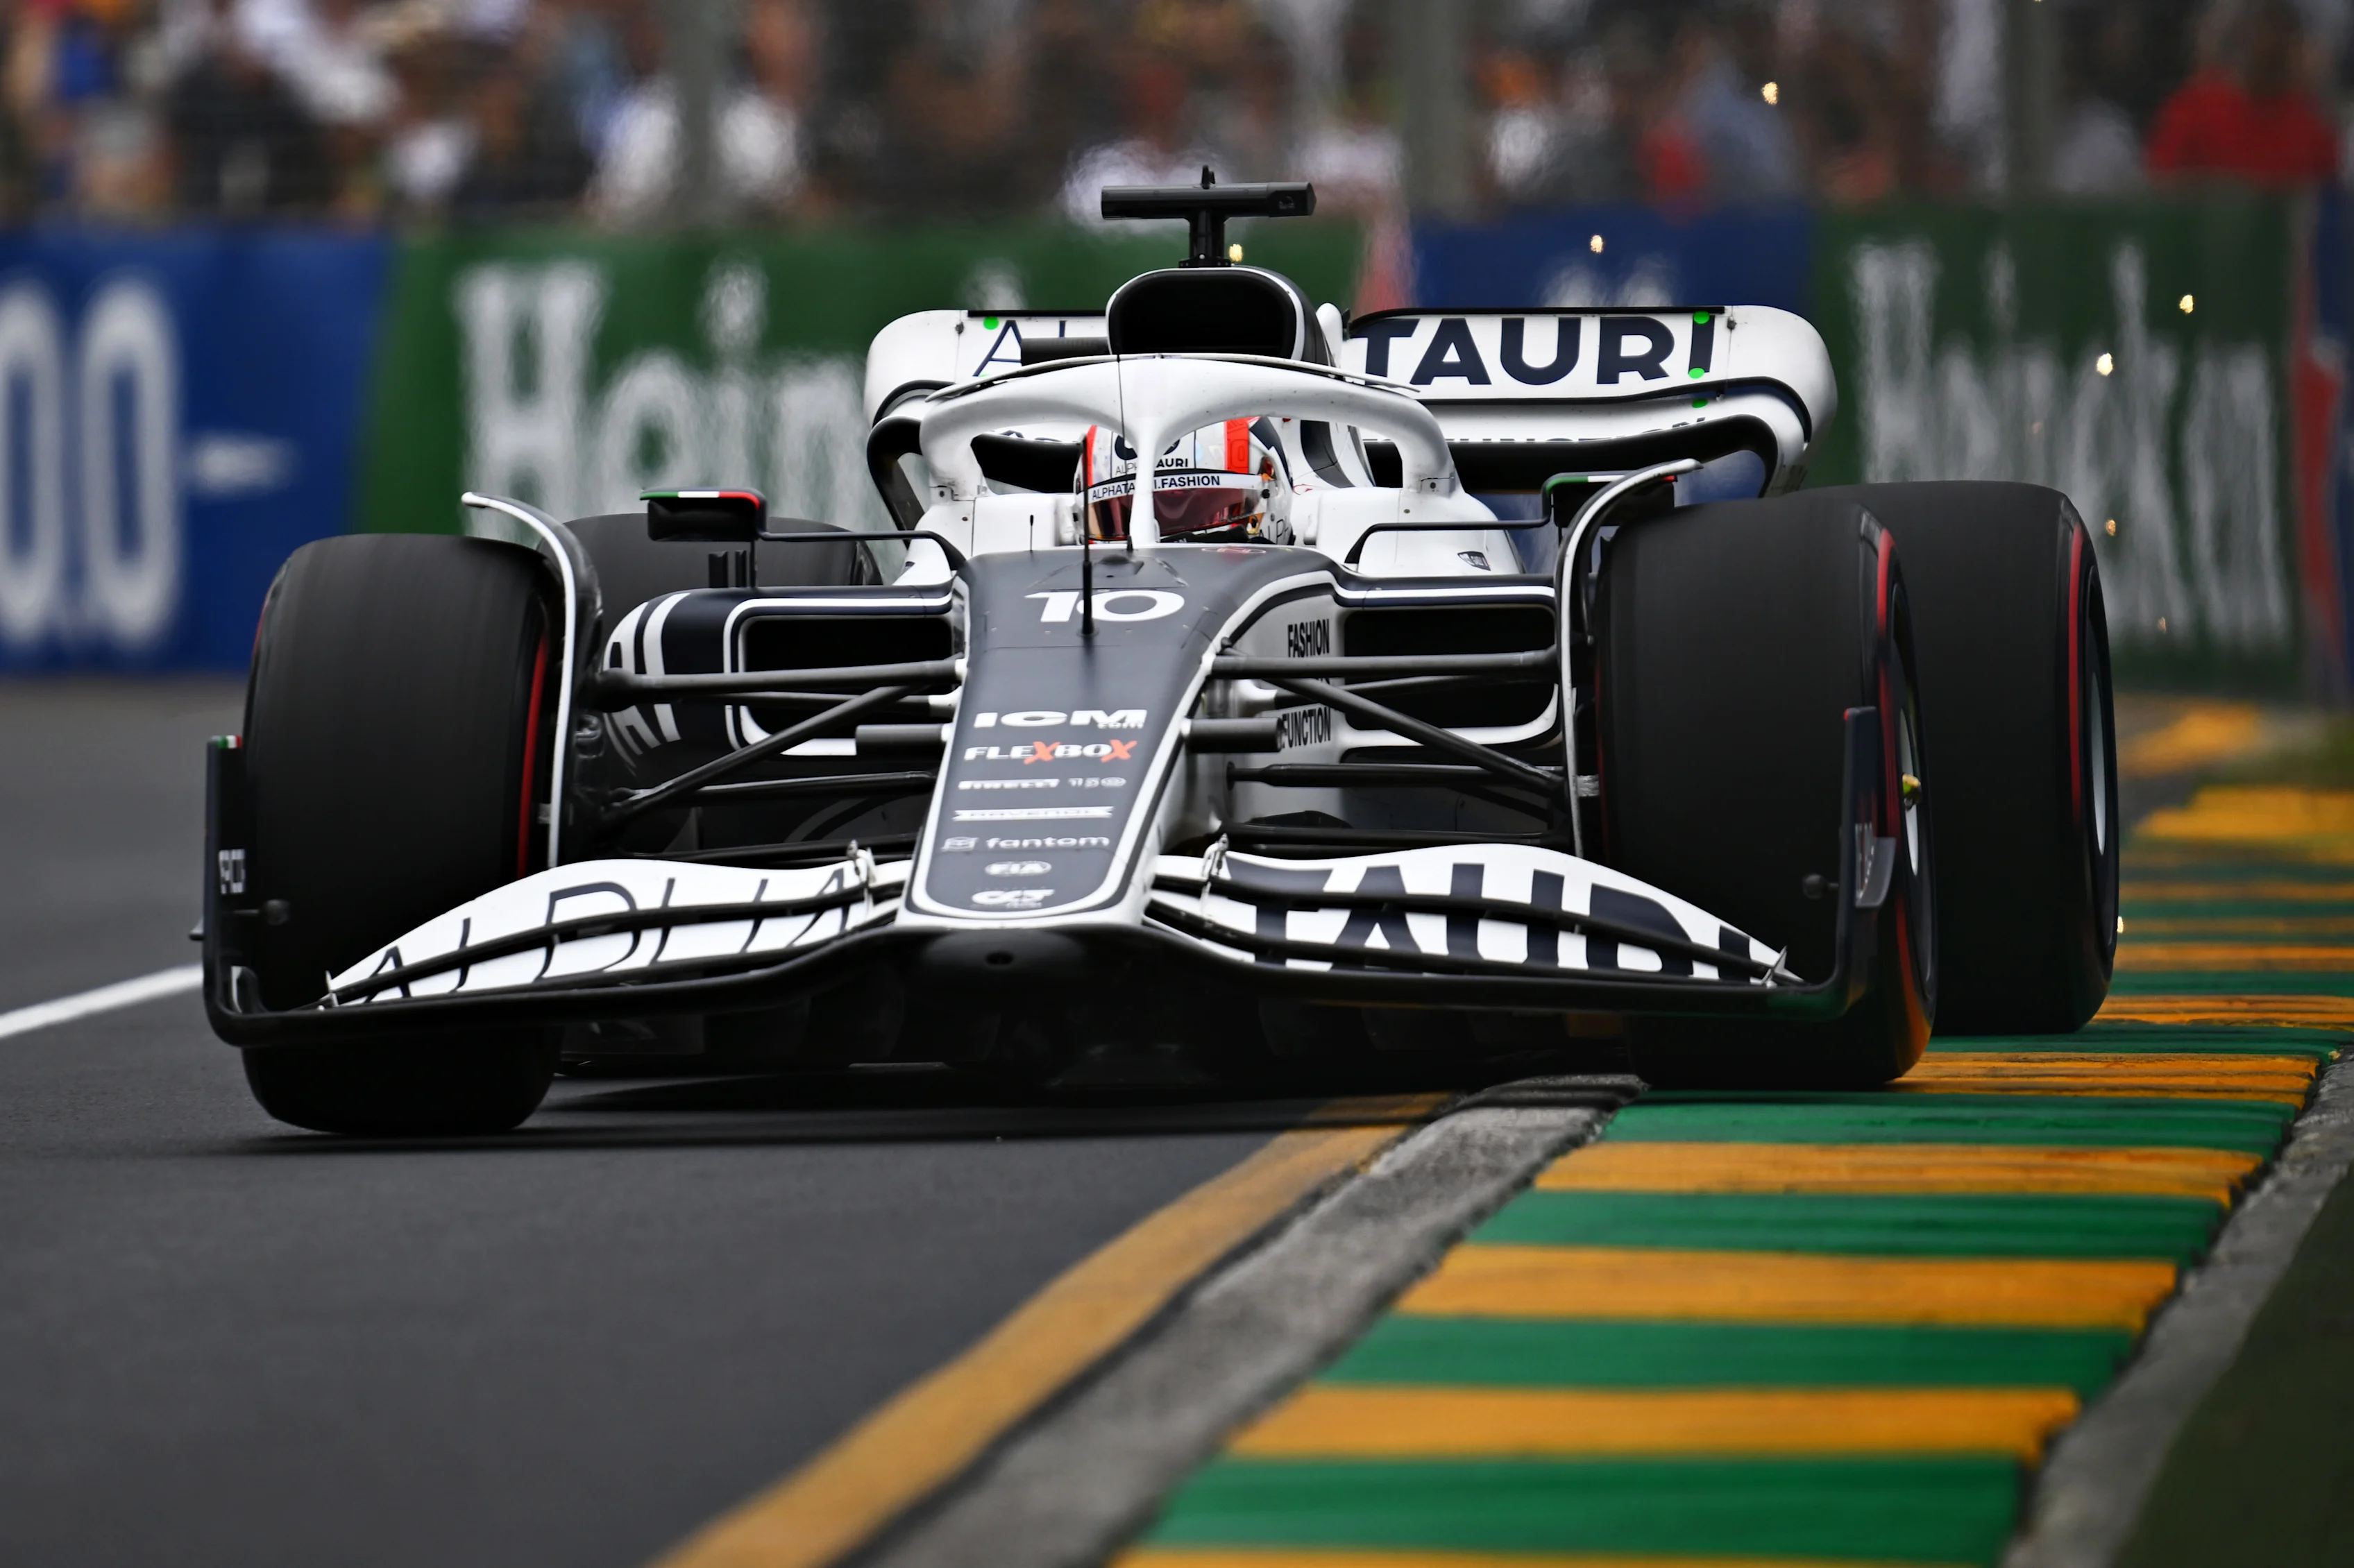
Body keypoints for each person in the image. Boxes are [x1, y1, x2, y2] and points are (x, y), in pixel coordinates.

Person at [2146, 0, 2337, 185]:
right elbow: (2161, 189)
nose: (2273, 52)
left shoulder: (2311, 125)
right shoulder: (2193, 110)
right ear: (2243, 41)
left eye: (2283, 43)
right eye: (2265, 41)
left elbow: (2328, 201)